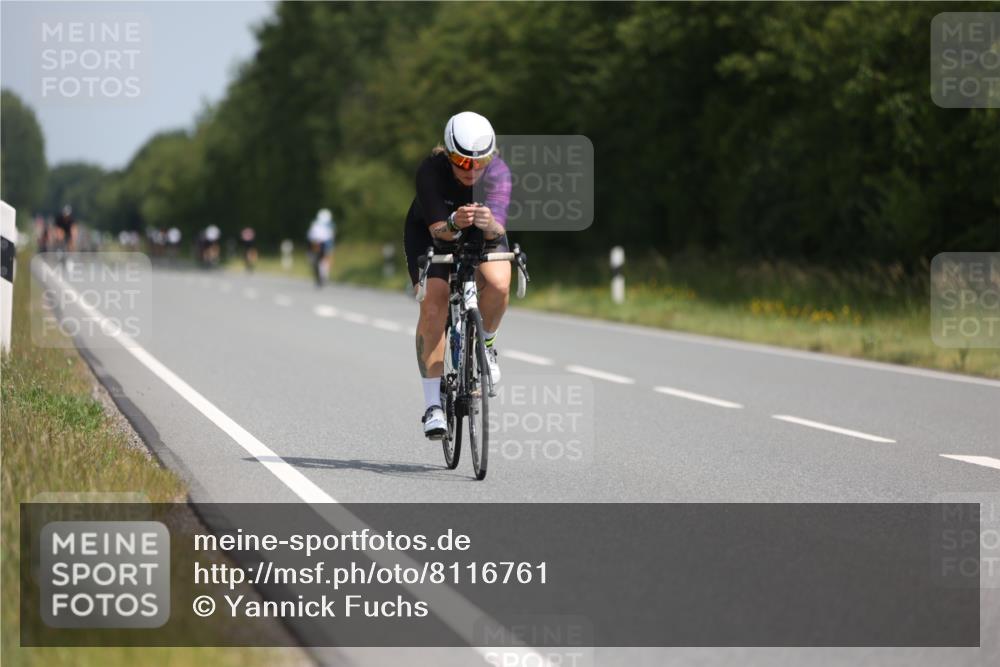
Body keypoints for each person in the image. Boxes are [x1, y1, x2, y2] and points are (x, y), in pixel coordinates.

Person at [403, 111, 512, 439]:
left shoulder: (499, 173)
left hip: (481, 232)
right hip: (432, 232)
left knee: (498, 283)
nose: (472, 170)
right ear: (449, 155)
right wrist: (453, 221)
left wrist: (488, 223)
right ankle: (433, 406)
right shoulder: (431, 171)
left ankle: (486, 345)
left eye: (480, 163)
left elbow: (499, 230)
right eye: (463, 163)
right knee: (433, 305)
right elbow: (440, 231)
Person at [306, 208, 335, 287]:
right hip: (318, 244)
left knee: (322, 260)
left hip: (320, 244)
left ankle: (323, 276)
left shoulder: (326, 225)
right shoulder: (318, 224)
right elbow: (311, 236)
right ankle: (322, 276)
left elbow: (310, 236)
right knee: (320, 260)